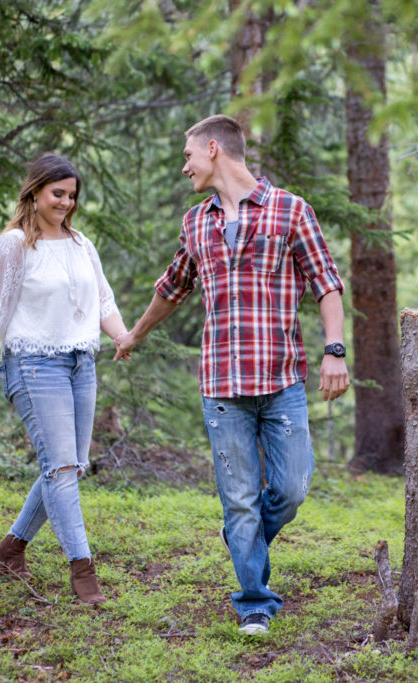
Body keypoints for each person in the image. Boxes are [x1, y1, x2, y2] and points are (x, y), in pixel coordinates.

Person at [113, 114, 349, 636]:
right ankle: (254, 603)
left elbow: (326, 283)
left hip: (282, 381)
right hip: (221, 387)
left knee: (290, 490)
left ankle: (242, 537)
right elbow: (172, 286)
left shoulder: (290, 209)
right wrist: (134, 334)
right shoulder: (196, 221)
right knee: (239, 500)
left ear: (214, 149)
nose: (184, 167)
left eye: (188, 156)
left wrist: (335, 350)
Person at [0, 153, 128, 605]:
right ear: (34, 191)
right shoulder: (14, 245)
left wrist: (123, 337)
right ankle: (83, 570)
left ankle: (13, 547)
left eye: (72, 195)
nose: (66, 203)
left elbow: (104, 302)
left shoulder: (80, 244)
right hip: (33, 364)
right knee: (62, 468)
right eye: (58, 194)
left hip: (80, 363)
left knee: (66, 465)